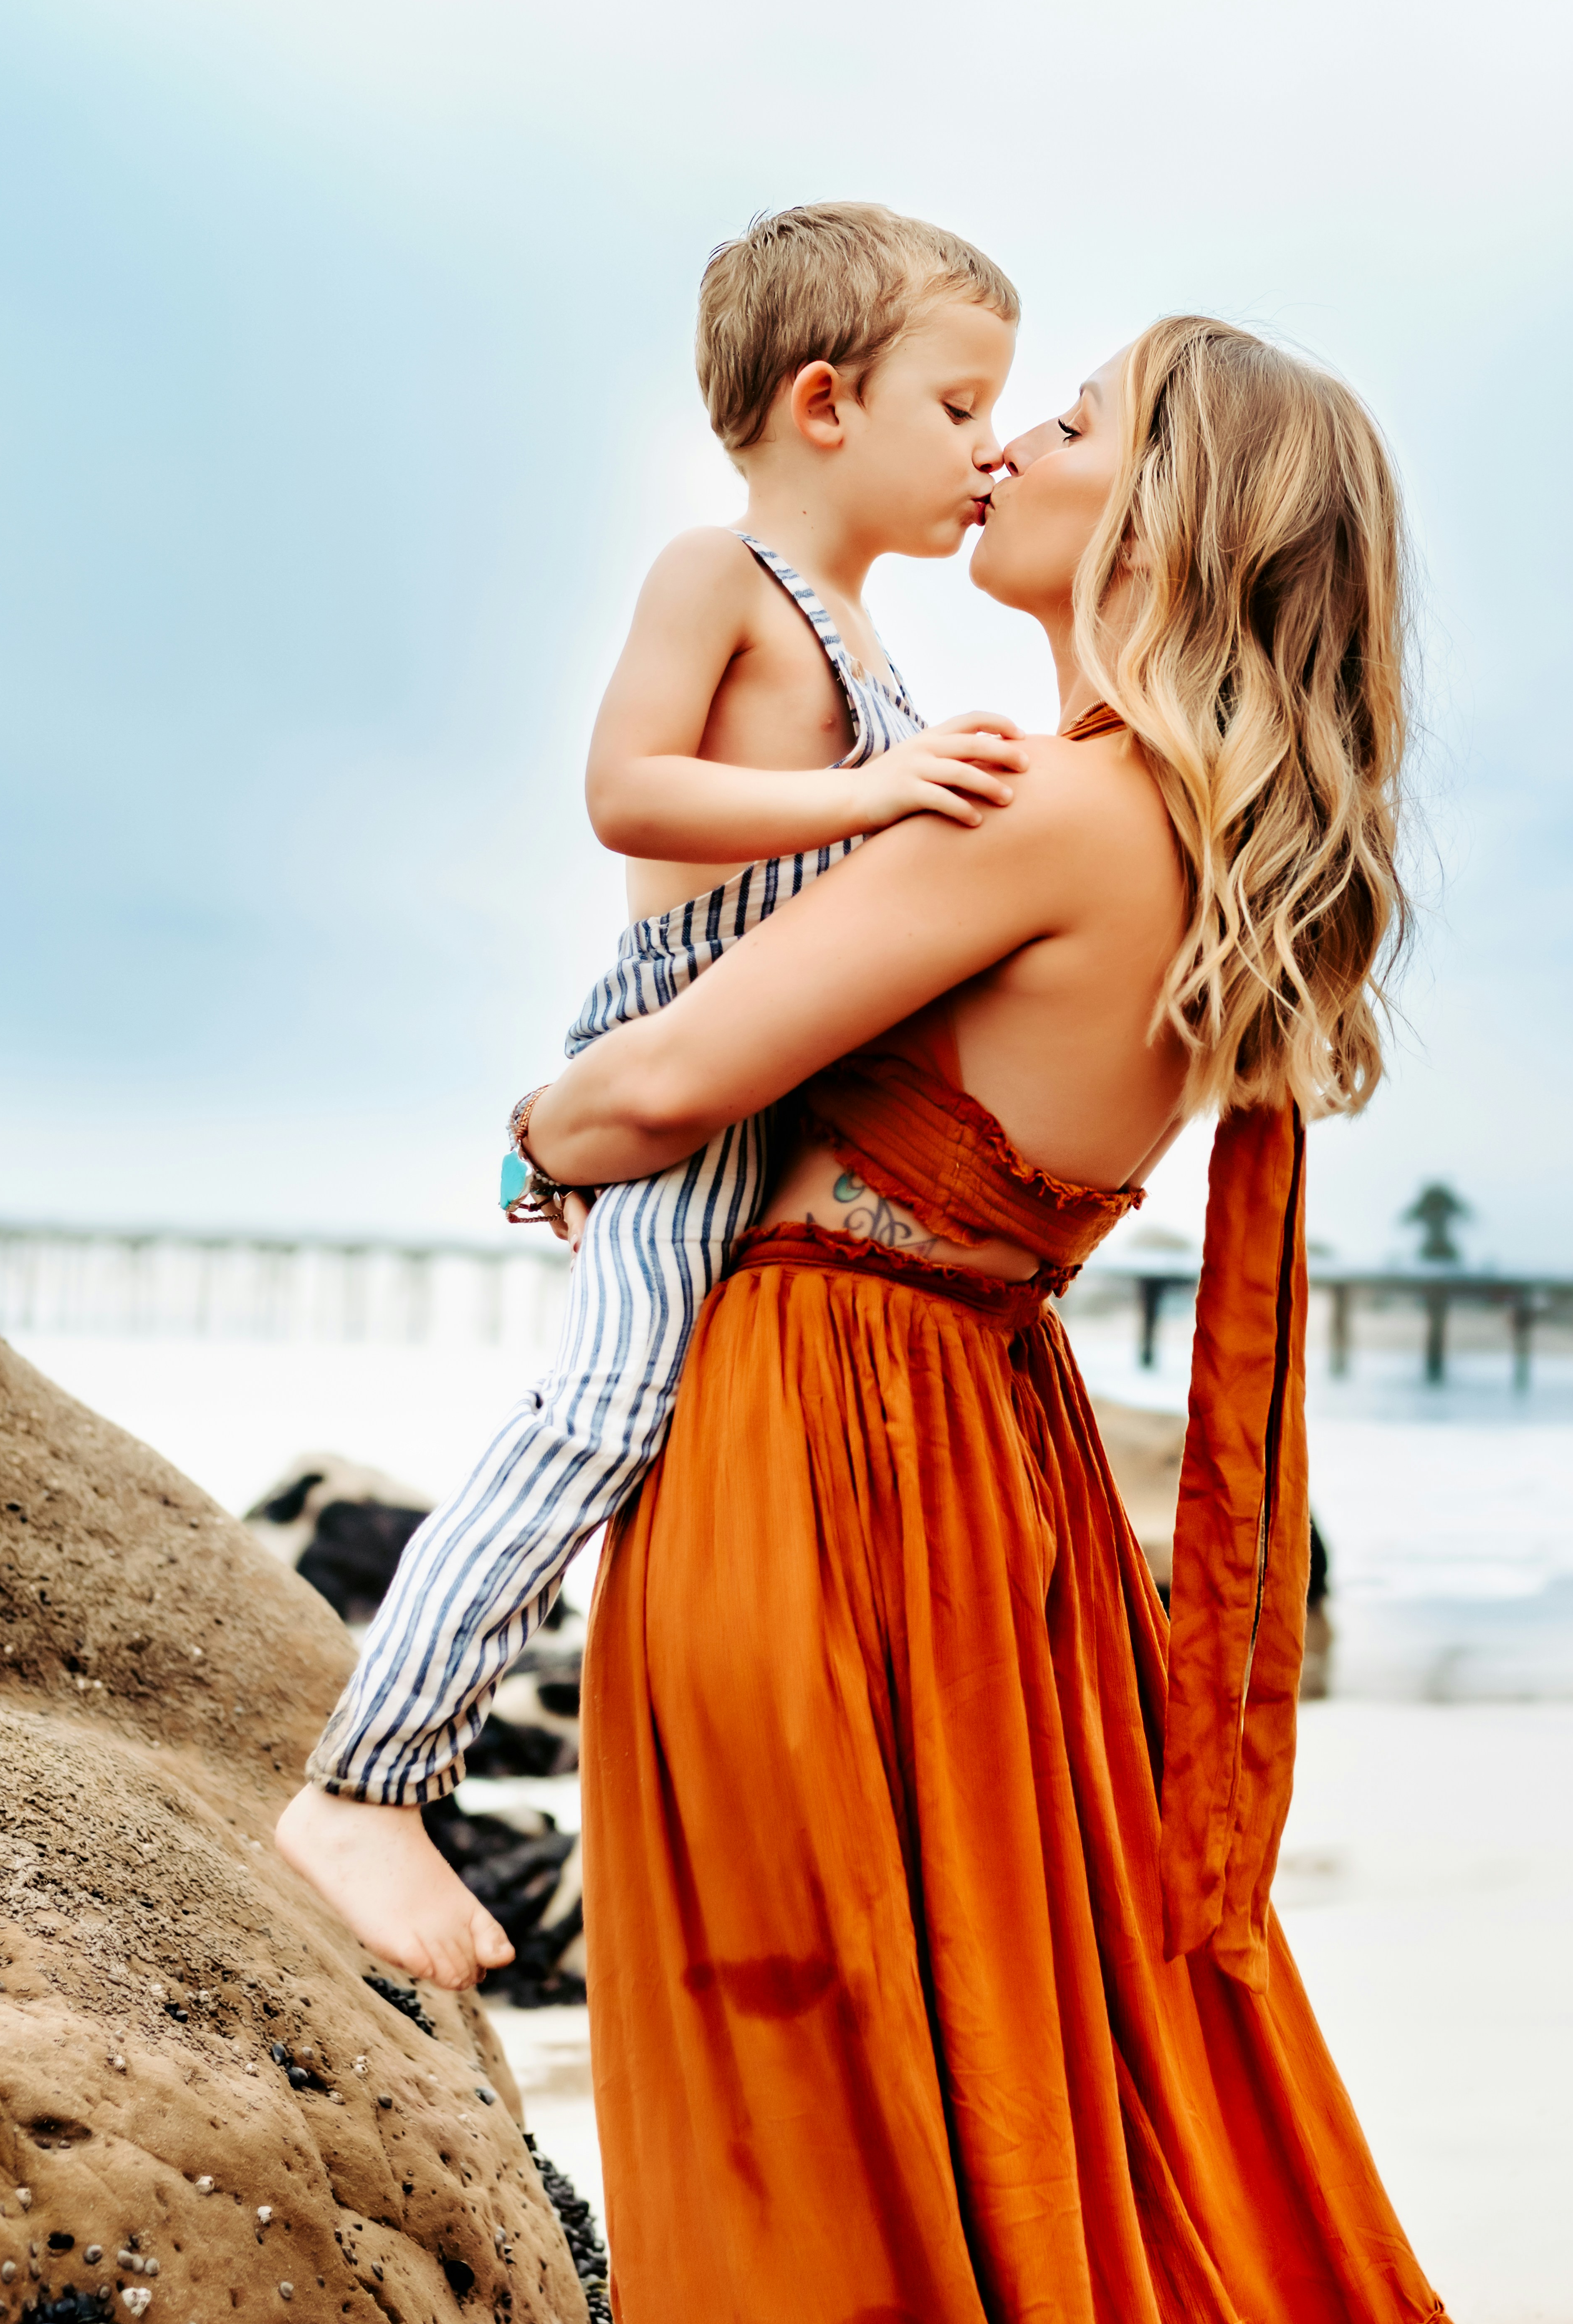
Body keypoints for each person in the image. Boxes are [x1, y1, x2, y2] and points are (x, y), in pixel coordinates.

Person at [495, 315, 1573, 2324]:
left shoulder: (1061, 807)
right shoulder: (1187, 825)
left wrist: (530, 1121)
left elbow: (643, 1095)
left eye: (1065, 423)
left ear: (1176, 517)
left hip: (824, 1442)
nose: (1009, 444)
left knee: (782, 2033)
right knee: (964, 2018)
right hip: (978, 1459)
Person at [277, 202, 1029, 1983]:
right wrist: (888, 796)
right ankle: (367, 1786)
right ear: (829, 404)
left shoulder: (869, 634)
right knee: (602, 1414)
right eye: (961, 406)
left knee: (708, 1480)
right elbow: (632, 791)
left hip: (788, 1095)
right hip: (686, 1075)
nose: (991, 451)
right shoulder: (725, 577)